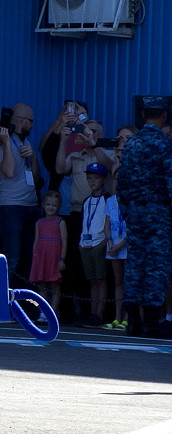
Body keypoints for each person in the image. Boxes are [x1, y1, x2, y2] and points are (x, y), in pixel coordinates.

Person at [115, 97, 172, 336]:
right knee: (157, 265)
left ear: (143, 115)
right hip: (159, 213)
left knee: (135, 264)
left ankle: (132, 320)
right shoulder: (165, 145)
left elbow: (121, 183)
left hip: (135, 213)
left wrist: (128, 211)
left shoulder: (131, 144)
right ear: (164, 117)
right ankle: (150, 321)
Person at [55, 118, 112, 322]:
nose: (90, 134)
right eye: (87, 130)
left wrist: (93, 144)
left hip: (100, 215)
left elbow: (109, 167)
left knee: (101, 269)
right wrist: (63, 141)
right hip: (78, 212)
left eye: (95, 131)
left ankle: (99, 313)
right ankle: (78, 312)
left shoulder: (106, 151)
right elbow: (60, 168)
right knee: (76, 265)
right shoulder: (76, 156)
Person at [0, 104, 40, 280]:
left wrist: (33, 157)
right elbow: (8, 172)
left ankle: (24, 297)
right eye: (30, 122)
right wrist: (5, 143)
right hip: (11, 207)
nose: (32, 126)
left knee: (28, 258)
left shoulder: (24, 140)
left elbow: (35, 178)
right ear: (21, 120)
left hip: (30, 205)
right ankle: (7, 298)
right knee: (12, 258)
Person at [78, 163, 111, 327]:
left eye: (96, 178)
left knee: (101, 279)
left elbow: (109, 221)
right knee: (92, 280)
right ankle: (92, 313)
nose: (92, 181)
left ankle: (99, 313)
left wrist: (106, 241)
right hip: (85, 243)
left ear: (104, 179)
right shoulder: (86, 200)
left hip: (100, 242)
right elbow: (84, 221)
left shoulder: (108, 199)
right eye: (89, 178)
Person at [29, 190, 67, 314]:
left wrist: (62, 259)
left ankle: (53, 312)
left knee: (55, 285)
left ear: (58, 207)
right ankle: (43, 312)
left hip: (54, 257)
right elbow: (35, 241)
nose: (51, 207)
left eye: (54, 205)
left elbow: (64, 242)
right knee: (42, 285)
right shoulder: (39, 222)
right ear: (44, 205)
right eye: (48, 204)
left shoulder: (60, 222)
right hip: (42, 257)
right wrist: (35, 258)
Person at [103, 186, 128, 330]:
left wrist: (120, 245)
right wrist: (110, 242)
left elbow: (133, 227)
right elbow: (107, 225)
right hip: (112, 246)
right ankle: (117, 317)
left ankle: (127, 318)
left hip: (125, 246)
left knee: (128, 282)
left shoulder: (132, 199)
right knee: (118, 282)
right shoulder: (110, 200)